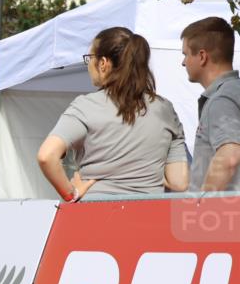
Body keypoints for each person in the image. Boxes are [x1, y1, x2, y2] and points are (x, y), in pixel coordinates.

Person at [37, 27, 189, 200]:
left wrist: (72, 193)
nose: (89, 65)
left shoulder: (85, 106)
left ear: (103, 63)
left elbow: (46, 156)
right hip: (150, 211)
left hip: (96, 211)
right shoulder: (165, 109)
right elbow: (179, 182)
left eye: (90, 58)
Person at [180, 16, 240, 192]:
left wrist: (202, 202)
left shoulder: (221, 100)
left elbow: (229, 155)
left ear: (202, 56)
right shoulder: (232, 92)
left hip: (223, 207)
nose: (183, 62)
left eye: (185, 54)